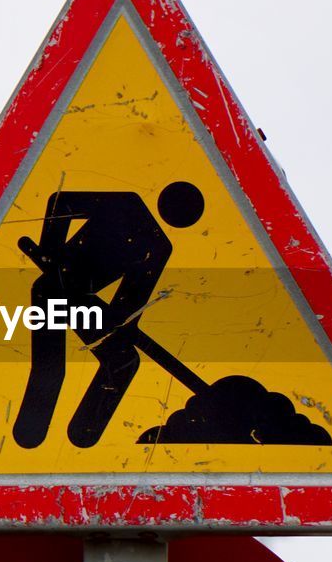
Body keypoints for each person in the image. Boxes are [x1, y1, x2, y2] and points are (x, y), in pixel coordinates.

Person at [13, 181, 204, 448]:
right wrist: (51, 252)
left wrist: (119, 324)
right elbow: (61, 201)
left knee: (123, 359)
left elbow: (131, 303)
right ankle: (30, 430)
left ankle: (84, 434)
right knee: (50, 368)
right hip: (50, 289)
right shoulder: (127, 204)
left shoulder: (158, 246)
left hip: (79, 299)